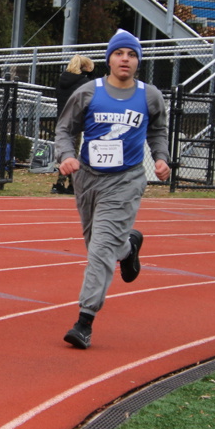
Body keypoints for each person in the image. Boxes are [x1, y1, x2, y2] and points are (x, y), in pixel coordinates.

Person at [54, 30, 170, 350]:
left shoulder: (149, 96)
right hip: (88, 179)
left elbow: (158, 131)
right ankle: (128, 248)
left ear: (138, 61)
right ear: (109, 59)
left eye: (131, 55)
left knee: (100, 250)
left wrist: (161, 158)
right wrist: (66, 156)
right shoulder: (88, 92)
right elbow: (65, 129)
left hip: (126, 180)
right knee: (97, 244)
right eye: (119, 54)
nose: (125, 59)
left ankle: (84, 320)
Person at [51, 54, 95, 195]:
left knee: (66, 152)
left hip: (62, 119)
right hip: (76, 121)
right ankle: (68, 183)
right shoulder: (84, 83)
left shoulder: (62, 80)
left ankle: (64, 183)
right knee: (73, 153)